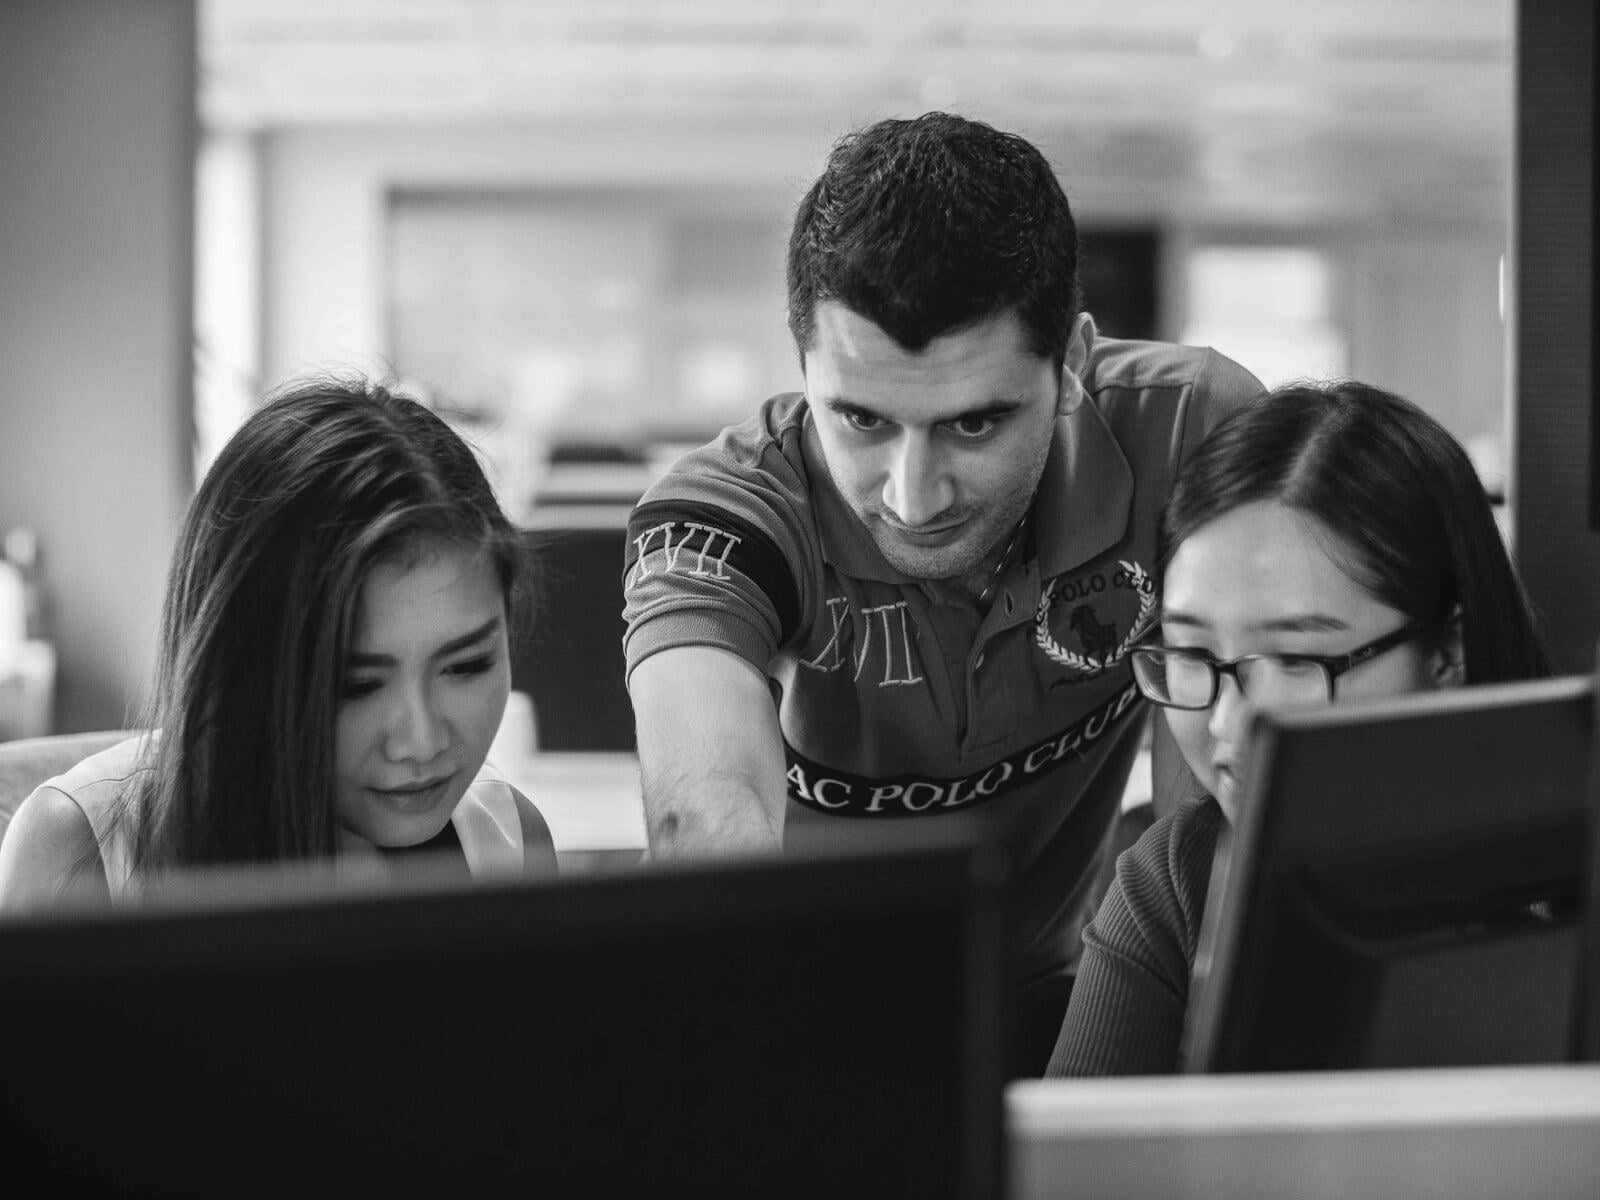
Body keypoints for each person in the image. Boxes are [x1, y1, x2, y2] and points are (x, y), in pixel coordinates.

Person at [622, 110, 1264, 1075]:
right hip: (799, 1017)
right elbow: (703, 820)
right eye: (862, 419)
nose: (912, 495)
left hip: (1075, 989)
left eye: (975, 424)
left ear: (1075, 362)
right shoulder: (721, 514)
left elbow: (1205, 833)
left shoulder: (1192, 431)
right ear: (802, 366)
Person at [1045, 379, 1553, 1077]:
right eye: (1193, 651)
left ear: (1447, 652)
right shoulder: (1176, 880)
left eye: (1293, 659)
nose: (1229, 723)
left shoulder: (1563, 875)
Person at [0, 378, 556, 907]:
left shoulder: (508, 843)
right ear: (241, 668)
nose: (420, 741)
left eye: (466, 666)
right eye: (355, 685)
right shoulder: (81, 858)